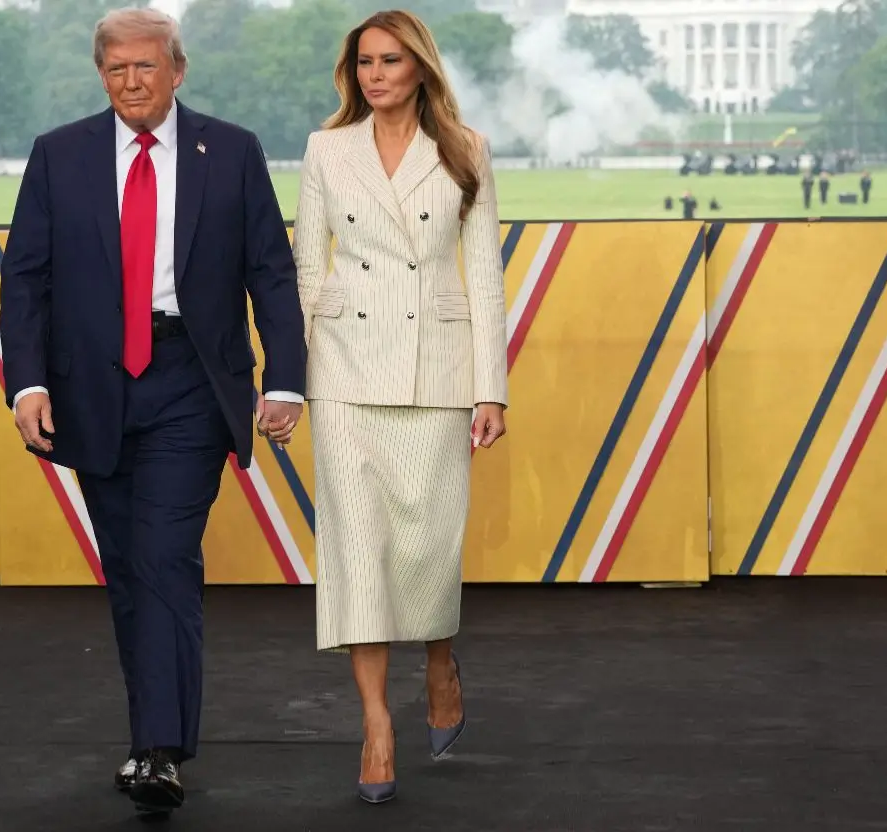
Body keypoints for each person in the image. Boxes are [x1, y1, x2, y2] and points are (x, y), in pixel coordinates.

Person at [0, 7, 306, 817]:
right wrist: (26, 384)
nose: (132, 81)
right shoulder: (58, 155)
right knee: (130, 570)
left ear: (178, 70)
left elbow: (271, 270)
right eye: (116, 69)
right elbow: (25, 279)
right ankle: (151, 738)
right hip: (91, 390)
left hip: (190, 385)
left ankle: (158, 750)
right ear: (102, 75)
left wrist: (285, 381)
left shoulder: (230, 151)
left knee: (165, 557)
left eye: (146, 66)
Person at [290, 9, 509, 805]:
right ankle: (377, 724)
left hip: (437, 373)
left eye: (390, 61)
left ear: (420, 67)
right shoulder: (325, 150)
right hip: (346, 372)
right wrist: (295, 376)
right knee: (357, 552)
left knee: (427, 551)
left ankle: (441, 660)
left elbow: (482, 273)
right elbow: (306, 267)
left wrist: (492, 387)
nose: (376, 75)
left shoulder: (466, 150)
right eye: (364, 63)